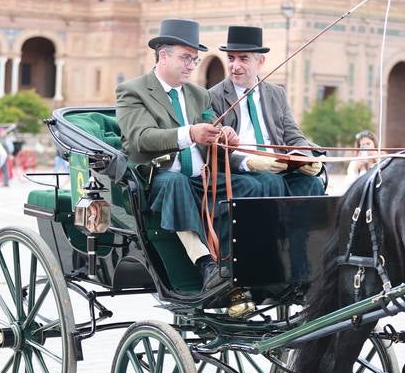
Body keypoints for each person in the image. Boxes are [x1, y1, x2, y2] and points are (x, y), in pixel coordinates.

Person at [116, 18, 265, 292]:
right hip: (158, 179)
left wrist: (224, 137)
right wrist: (189, 134)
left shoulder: (199, 95)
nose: (190, 66)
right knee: (176, 183)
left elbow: (210, 132)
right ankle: (206, 263)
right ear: (163, 55)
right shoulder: (133, 91)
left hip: (201, 178)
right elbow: (140, 139)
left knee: (252, 184)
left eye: (194, 60)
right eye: (186, 58)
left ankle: (243, 259)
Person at [209, 26, 324, 197]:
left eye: (243, 59)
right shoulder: (213, 96)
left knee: (312, 183)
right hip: (241, 173)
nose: (235, 66)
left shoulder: (277, 93)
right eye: (231, 58)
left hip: (278, 167)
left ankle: (307, 225)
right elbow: (213, 148)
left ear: (260, 61)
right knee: (271, 181)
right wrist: (249, 162)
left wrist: (307, 157)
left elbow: (293, 135)